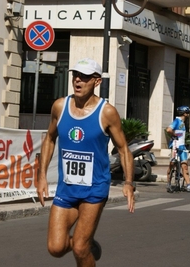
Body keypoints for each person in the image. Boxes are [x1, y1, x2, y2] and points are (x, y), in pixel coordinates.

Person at [36, 58, 135, 267]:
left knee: (80, 248)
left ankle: (85, 245)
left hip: (94, 189)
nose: (78, 80)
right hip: (67, 188)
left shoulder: (106, 112)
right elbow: (50, 138)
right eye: (75, 76)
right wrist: (42, 176)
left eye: (85, 77)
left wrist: (128, 183)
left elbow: (124, 149)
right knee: (56, 248)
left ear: (97, 81)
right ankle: (89, 244)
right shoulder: (60, 106)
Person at [166, 106, 190, 192]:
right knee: (172, 164)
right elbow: (168, 129)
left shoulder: (182, 122)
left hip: (182, 146)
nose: (188, 114)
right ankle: (168, 181)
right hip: (175, 146)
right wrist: (174, 134)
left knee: (185, 166)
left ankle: (188, 185)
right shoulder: (177, 121)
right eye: (188, 113)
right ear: (184, 113)